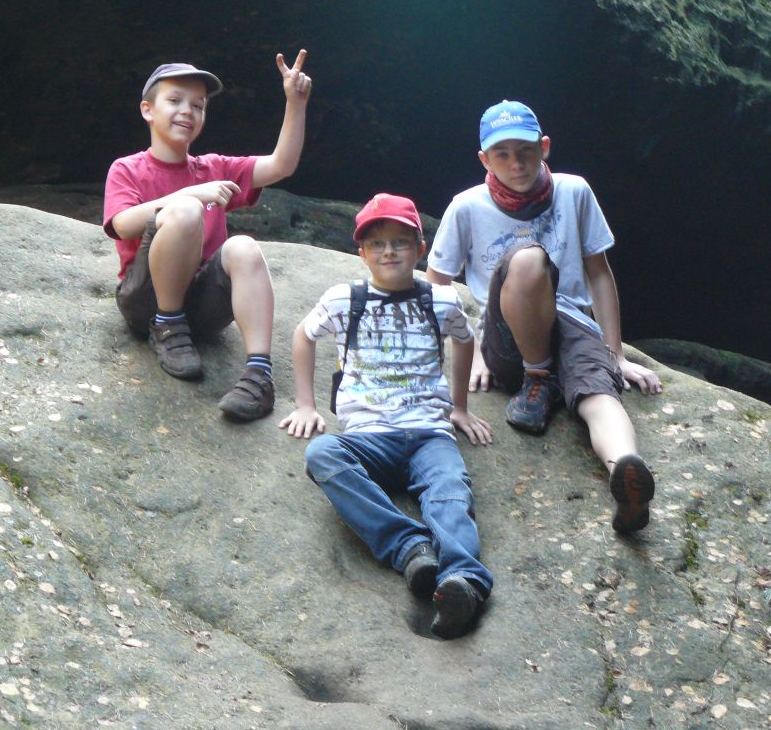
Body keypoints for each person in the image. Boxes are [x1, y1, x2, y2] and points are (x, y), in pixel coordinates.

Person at [427, 100, 663, 533]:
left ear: (545, 147)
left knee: (598, 393)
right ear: (484, 159)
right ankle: (539, 376)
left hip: (572, 326)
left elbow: (599, 273)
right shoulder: (467, 206)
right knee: (528, 260)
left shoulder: (574, 191)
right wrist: (472, 351)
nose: (516, 164)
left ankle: (625, 473)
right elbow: (437, 282)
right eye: (502, 154)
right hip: (506, 336)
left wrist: (616, 354)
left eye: (525, 151)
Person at [280, 193, 494, 639]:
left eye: (400, 242)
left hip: (429, 433)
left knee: (449, 492)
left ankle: (464, 582)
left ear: (420, 249)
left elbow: (464, 339)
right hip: (369, 436)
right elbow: (304, 335)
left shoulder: (440, 299)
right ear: (362, 253)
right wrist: (305, 404)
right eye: (376, 244)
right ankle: (410, 548)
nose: (389, 252)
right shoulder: (344, 299)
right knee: (322, 454)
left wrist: (459, 407)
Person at [103, 52, 311, 421]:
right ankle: (168, 326)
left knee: (244, 247)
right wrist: (189, 195)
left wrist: (295, 103)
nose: (187, 110)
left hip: (203, 308)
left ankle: (259, 375)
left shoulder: (214, 168)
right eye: (175, 100)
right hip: (147, 302)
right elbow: (122, 224)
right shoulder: (127, 168)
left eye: (198, 105)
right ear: (148, 110)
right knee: (185, 210)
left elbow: (281, 165)